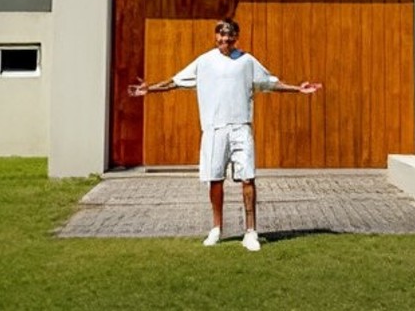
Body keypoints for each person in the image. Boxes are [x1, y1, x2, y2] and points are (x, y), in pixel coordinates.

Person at [126, 17, 321, 252]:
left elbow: (270, 82)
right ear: (215, 36)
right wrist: (150, 89)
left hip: (241, 127)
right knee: (215, 179)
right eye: (221, 35)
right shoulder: (204, 61)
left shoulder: (247, 61)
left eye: (230, 35)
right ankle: (216, 229)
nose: (225, 39)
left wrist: (297, 88)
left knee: (248, 179)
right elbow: (175, 82)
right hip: (214, 128)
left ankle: (251, 232)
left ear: (236, 37)